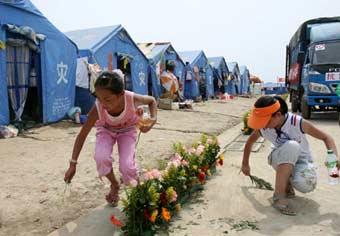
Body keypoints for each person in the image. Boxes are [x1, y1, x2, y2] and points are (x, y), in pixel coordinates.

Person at [64, 69, 157, 206]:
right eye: (99, 98)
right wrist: (73, 164)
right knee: (101, 158)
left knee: (127, 167)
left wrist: (152, 121)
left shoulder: (132, 98)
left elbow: (152, 101)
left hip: (127, 131)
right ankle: (114, 184)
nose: (103, 103)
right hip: (106, 131)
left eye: (107, 99)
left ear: (121, 94)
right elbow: (82, 135)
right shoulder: (98, 108)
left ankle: (139, 196)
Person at [241, 95, 338, 215]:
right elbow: (250, 141)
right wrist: (245, 164)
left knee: (307, 184)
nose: (263, 125)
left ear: (277, 115)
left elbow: (326, 137)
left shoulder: (297, 122)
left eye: (265, 121)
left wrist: (333, 157)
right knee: (291, 146)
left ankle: (287, 182)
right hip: (278, 158)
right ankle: (279, 196)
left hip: (301, 160)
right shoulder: (263, 128)